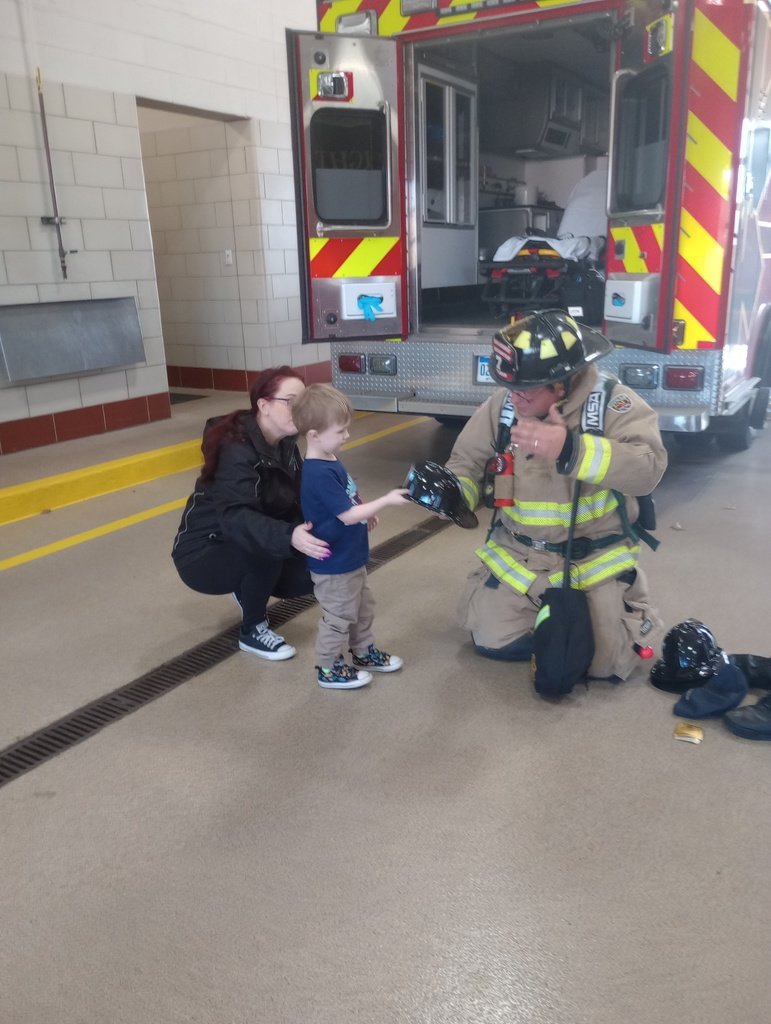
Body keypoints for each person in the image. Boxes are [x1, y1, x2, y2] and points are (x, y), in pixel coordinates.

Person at [445, 309, 669, 682]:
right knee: (490, 641)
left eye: (526, 389)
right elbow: (465, 462)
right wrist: (454, 497)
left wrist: (571, 449)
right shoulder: (504, 406)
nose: (514, 397)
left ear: (562, 383)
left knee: (604, 666)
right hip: (519, 559)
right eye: (510, 386)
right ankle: (544, 618)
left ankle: (621, 605)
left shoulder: (614, 405)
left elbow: (649, 469)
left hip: (591, 560)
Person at [171, 366, 330, 662]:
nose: (300, 409)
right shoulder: (235, 448)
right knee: (264, 548)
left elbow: (302, 496)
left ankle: (248, 588)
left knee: (312, 570)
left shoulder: (286, 444)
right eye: (290, 401)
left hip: (246, 539)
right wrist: (288, 535)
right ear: (264, 405)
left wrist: (345, 515)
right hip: (204, 550)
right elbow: (237, 518)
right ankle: (253, 630)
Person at [291, 383, 410, 690]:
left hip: (350, 557)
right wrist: (384, 501)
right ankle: (328, 667)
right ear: (314, 435)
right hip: (334, 566)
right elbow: (345, 515)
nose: (347, 436)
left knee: (362, 608)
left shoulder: (330, 459)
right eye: (340, 431)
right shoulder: (317, 473)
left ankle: (362, 652)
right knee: (339, 616)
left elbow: (347, 502)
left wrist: (365, 514)